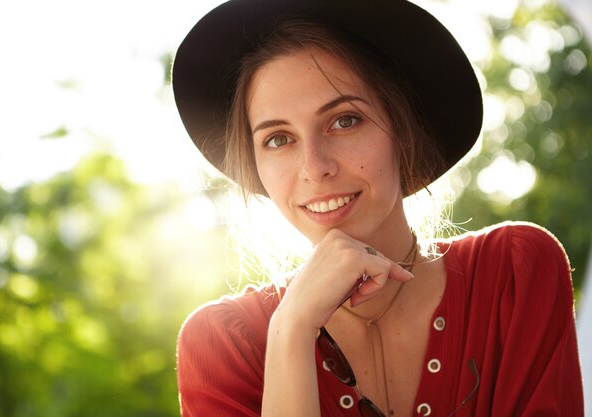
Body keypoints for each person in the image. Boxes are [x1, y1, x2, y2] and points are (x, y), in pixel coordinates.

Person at [171, 0, 584, 416]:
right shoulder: (222, 344)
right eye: (278, 139)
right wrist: (291, 331)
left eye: (345, 120)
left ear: (402, 129)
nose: (315, 168)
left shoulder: (514, 273)